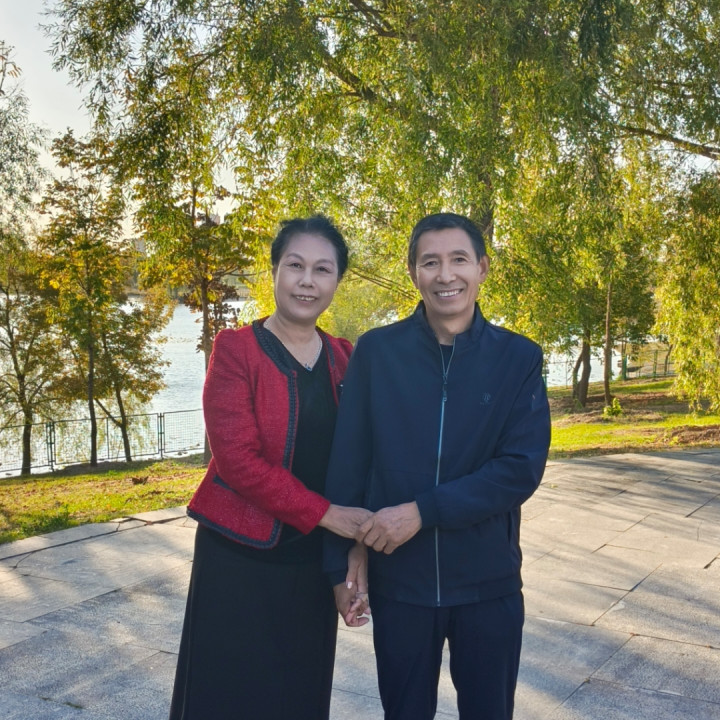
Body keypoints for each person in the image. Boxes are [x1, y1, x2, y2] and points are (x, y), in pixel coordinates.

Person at [325, 212, 552, 720]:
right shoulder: (377, 352)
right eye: (430, 262)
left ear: (482, 268)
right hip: (400, 585)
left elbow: (519, 469)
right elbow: (350, 464)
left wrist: (422, 511)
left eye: (458, 260)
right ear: (413, 273)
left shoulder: (518, 358)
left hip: (487, 584)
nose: (445, 275)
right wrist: (343, 560)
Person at [169, 215, 371, 720]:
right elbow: (237, 461)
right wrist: (329, 515)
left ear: (337, 281)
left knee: (298, 695)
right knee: (228, 698)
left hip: (311, 563)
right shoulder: (236, 350)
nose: (307, 281)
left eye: (322, 270)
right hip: (239, 559)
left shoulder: (345, 359)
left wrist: (354, 554)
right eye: (295, 266)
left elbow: (361, 459)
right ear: (275, 271)